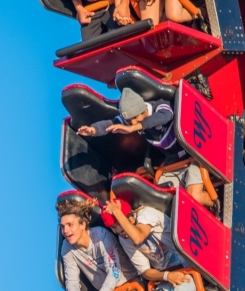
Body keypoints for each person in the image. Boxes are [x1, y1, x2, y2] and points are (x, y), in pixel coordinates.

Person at [77, 86, 213, 206]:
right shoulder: (131, 121)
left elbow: (163, 117)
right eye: (129, 121)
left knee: (194, 196)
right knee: (161, 194)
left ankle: (215, 204)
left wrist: (133, 128)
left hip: (195, 153)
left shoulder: (160, 107)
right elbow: (108, 124)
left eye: (135, 118)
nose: (132, 123)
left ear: (142, 110)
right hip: (173, 161)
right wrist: (93, 130)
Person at [100, 198, 212, 291]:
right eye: (113, 228)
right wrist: (167, 276)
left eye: (118, 225)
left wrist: (116, 211)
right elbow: (145, 272)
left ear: (127, 215)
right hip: (167, 278)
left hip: (187, 267)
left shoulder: (146, 214)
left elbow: (138, 237)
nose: (117, 231)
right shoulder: (124, 239)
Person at [56, 197, 134, 291]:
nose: (66, 231)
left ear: (82, 224)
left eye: (70, 225)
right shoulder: (67, 247)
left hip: (130, 287)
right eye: (62, 227)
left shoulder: (101, 236)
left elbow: (114, 272)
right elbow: (72, 281)